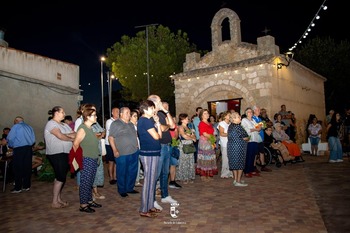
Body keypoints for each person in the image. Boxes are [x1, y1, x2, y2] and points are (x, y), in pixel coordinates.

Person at [147, 95, 177, 211]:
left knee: (165, 173)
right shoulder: (151, 115)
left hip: (167, 146)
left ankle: (165, 195)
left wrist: (166, 111)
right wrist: (166, 126)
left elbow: (172, 126)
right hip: (159, 147)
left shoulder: (161, 114)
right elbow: (163, 128)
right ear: (154, 103)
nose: (161, 103)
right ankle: (152, 199)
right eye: (159, 101)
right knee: (156, 174)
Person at [73, 104, 102, 213]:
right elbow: (76, 144)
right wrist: (78, 160)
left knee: (90, 181)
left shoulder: (89, 128)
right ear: (88, 117)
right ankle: (83, 205)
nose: (96, 117)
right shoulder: (82, 128)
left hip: (93, 158)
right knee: (85, 182)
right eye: (94, 115)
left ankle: (89, 201)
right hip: (86, 159)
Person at [44, 106, 76, 207]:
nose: (64, 113)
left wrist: (70, 136)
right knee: (61, 177)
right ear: (56, 113)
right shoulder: (51, 123)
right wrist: (70, 138)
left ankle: (58, 199)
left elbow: (74, 134)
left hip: (65, 153)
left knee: (60, 176)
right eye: (62, 112)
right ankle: (54, 202)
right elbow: (60, 136)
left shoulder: (64, 124)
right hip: (56, 153)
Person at [137, 100, 162, 218]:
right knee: (149, 182)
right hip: (148, 154)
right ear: (145, 109)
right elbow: (156, 136)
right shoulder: (145, 121)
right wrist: (156, 124)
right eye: (152, 108)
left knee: (152, 181)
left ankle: (150, 206)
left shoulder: (148, 121)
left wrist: (157, 123)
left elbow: (160, 136)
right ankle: (144, 209)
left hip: (153, 153)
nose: (154, 110)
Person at [108, 107, 139, 197]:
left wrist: (136, 145)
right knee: (122, 172)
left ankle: (130, 188)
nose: (129, 114)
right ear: (121, 114)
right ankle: (122, 190)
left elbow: (134, 135)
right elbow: (111, 138)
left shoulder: (131, 124)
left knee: (132, 171)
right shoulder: (116, 124)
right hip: (122, 153)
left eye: (129, 112)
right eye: (127, 113)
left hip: (133, 151)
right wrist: (115, 150)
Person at [6, 116, 35, 193]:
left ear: (16, 120)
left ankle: (18, 188)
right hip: (28, 149)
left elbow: (10, 138)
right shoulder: (29, 127)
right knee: (27, 167)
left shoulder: (16, 126)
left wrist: (11, 145)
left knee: (17, 168)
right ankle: (26, 186)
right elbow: (33, 140)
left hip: (19, 149)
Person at [227, 112, 249, 186]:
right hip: (239, 147)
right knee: (240, 163)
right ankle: (238, 181)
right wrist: (248, 137)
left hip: (231, 147)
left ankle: (235, 180)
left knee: (234, 163)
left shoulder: (230, 126)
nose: (240, 118)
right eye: (238, 117)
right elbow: (245, 137)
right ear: (233, 119)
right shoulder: (238, 127)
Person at [197, 109, 218, 181]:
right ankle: (203, 175)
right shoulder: (201, 123)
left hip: (210, 142)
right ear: (201, 115)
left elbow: (213, 132)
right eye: (205, 113)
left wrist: (214, 138)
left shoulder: (209, 123)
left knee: (209, 158)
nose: (207, 115)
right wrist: (212, 138)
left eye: (207, 113)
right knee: (204, 158)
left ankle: (208, 174)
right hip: (204, 142)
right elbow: (204, 133)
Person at [241, 107, 261, 178]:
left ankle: (252, 170)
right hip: (249, 140)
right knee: (248, 155)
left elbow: (258, 128)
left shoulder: (253, 120)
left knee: (253, 155)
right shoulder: (244, 120)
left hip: (255, 139)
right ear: (246, 113)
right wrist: (254, 129)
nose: (250, 113)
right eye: (249, 112)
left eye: (251, 112)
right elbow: (245, 129)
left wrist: (258, 128)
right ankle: (246, 171)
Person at [176, 113, 196, 184]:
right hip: (184, 145)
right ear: (182, 120)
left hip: (190, 145)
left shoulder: (189, 127)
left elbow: (195, 137)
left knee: (190, 161)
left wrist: (192, 137)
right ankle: (183, 177)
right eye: (186, 118)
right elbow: (184, 136)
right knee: (184, 161)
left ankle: (189, 176)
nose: (188, 120)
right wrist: (191, 137)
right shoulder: (180, 127)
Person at [252, 106, 272, 172]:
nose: (259, 111)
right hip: (256, 138)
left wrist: (260, 125)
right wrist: (261, 125)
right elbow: (256, 127)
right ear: (254, 111)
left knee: (262, 152)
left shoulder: (259, 118)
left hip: (261, 137)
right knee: (255, 153)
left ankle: (263, 166)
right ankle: (254, 166)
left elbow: (264, 126)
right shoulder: (252, 118)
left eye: (259, 110)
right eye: (258, 110)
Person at [105, 107, 119, 184]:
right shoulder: (109, 121)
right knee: (111, 161)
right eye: (116, 111)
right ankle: (111, 177)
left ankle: (115, 176)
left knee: (116, 161)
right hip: (109, 144)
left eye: (118, 111)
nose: (118, 112)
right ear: (112, 113)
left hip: (118, 144)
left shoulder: (119, 121)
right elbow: (113, 132)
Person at [217, 111, 233, 178]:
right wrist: (231, 134)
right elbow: (222, 133)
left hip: (230, 143)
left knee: (230, 158)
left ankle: (230, 172)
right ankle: (224, 173)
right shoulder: (222, 123)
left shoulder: (230, 124)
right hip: (224, 143)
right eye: (229, 115)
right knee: (225, 159)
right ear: (225, 116)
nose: (230, 116)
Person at [130, 109, 143, 187]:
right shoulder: (130, 125)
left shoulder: (137, 125)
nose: (136, 118)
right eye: (134, 116)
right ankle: (133, 180)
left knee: (138, 164)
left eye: (137, 116)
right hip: (133, 147)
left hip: (139, 146)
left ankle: (137, 180)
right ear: (130, 117)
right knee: (133, 164)